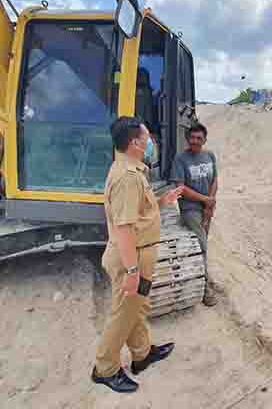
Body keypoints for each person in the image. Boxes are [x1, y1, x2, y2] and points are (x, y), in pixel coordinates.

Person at [91, 116, 184, 393]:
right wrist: (132, 271)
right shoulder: (127, 178)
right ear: (135, 143)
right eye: (146, 137)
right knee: (122, 314)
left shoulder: (129, 170)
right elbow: (123, 229)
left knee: (136, 309)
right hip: (130, 257)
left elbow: (136, 211)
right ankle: (104, 369)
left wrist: (160, 202)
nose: (150, 141)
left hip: (137, 254)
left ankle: (142, 355)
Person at [170, 122, 219, 306]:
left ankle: (200, 274)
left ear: (205, 139)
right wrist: (205, 200)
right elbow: (180, 188)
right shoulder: (180, 159)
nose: (195, 141)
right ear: (187, 139)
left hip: (207, 206)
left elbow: (215, 180)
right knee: (202, 246)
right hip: (190, 209)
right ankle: (205, 290)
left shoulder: (209, 156)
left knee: (203, 242)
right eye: (192, 138)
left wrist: (210, 202)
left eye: (199, 138)